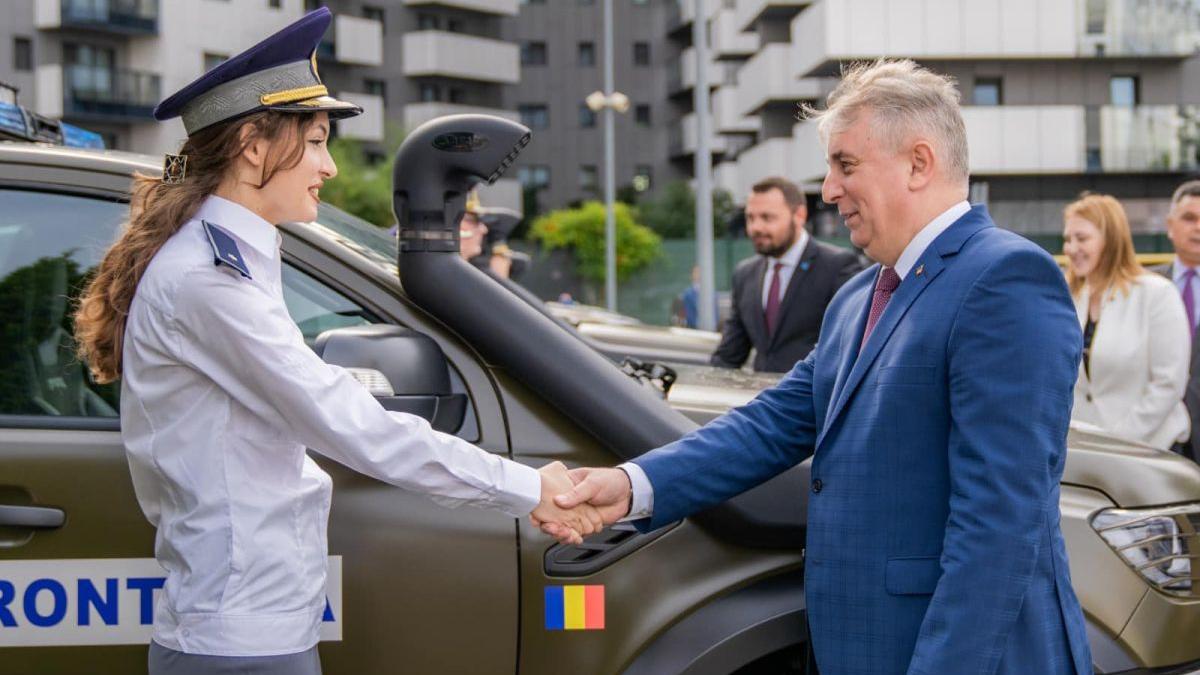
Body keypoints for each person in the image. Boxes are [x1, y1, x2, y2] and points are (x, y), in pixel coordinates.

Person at [71, 9, 597, 674]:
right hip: (241, 642)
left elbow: (298, 394)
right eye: (317, 141)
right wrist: (527, 486)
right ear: (253, 145)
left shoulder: (228, 261)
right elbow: (346, 422)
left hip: (256, 625)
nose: (329, 166)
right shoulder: (210, 282)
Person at [541, 60, 1093, 675]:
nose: (828, 190)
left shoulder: (1005, 280)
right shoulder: (858, 296)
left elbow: (999, 523)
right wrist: (632, 485)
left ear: (919, 163)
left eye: (845, 165)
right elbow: (771, 423)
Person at [1064, 193, 1191, 452]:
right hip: (1089, 451)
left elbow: (1168, 384)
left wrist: (1119, 441)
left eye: (1082, 239)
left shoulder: (1157, 294)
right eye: (1068, 239)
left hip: (1151, 451)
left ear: (1110, 240)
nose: (1071, 248)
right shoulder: (1070, 298)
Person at [710, 176, 861, 373]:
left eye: (767, 217)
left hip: (811, 392)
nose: (755, 228)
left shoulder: (838, 266)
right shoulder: (744, 274)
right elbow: (728, 356)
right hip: (759, 391)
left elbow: (846, 350)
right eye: (750, 218)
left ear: (799, 215)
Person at [1149, 181, 1200, 461]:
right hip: (1157, 439)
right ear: (1170, 225)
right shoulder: (1142, 287)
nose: (1197, 227)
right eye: (1189, 218)